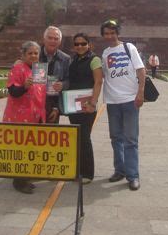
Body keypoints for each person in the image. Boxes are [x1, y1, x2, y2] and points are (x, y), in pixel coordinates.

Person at [100, 20, 145, 191]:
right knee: (116, 138)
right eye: (106, 33)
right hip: (112, 101)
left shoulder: (129, 48)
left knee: (131, 140)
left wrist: (140, 92)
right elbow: (102, 76)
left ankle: (133, 176)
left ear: (118, 32)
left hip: (130, 100)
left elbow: (141, 70)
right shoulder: (105, 53)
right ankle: (120, 170)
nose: (110, 36)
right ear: (103, 35)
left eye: (112, 32)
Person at [3, 41, 46, 194]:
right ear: (23, 55)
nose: (33, 56)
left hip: (36, 114)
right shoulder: (18, 68)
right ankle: (19, 181)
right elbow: (13, 91)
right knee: (21, 148)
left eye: (36, 53)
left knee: (31, 147)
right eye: (30, 53)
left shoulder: (39, 69)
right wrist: (24, 87)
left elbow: (41, 91)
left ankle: (25, 177)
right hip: (19, 117)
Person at [68, 33, 103, 184]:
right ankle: (78, 170)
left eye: (83, 44)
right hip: (74, 105)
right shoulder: (73, 59)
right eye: (77, 44)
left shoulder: (94, 59)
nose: (80, 46)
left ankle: (87, 173)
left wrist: (93, 103)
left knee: (85, 138)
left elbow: (98, 81)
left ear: (89, 45)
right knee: (77, 137)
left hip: (87, 105)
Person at [39, 26, 70, 123]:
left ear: (60, 42)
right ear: (44, 39)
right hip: (33, 104)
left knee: (50, 135)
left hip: (52, 106)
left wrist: (63, 85)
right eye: (50, 38)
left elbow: (69, 80)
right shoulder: (34, 55)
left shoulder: (65, 59)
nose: (53, 41)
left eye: (56, 39)